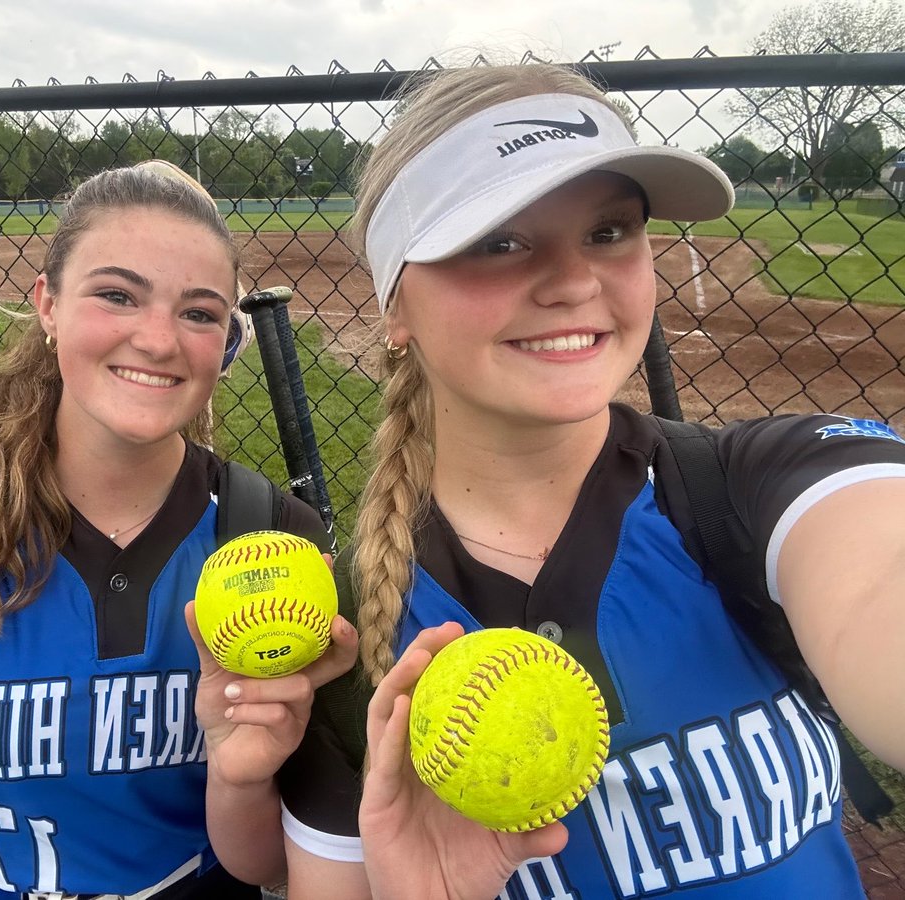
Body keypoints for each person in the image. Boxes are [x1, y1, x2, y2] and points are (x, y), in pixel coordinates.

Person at [278, 62, 905, 899]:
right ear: (396, 305)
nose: (576, 282)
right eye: (499, 241)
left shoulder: (755, 487)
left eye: (609, 231)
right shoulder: (350, 633)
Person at [0, 154, 357, 900]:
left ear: (226, 344)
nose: (158, 341)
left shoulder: (268, 541)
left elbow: (268, 868)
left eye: (199, 312)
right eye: (116, 295)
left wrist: (240, 778)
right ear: (47, 305)